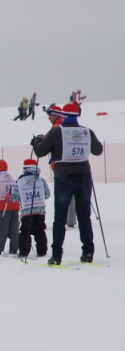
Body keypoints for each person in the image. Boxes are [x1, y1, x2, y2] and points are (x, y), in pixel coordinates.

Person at [30, 103, 104, 264]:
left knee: (60, 217)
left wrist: (36, 141)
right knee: (84, 216)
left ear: (63, 115)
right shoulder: (86, 131)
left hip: (64, 177)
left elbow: (40, 151)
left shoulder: (57, 132)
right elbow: (98, 150)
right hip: (84, 175)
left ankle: (57, 255)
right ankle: (88, 252)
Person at [10, 159, 50, 261]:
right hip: (40, 210)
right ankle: (42, 251)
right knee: (40, 230)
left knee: (25, 231)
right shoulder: (41, 180)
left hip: (27, 210)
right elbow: (47, 194)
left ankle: (23, 251)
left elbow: (13, 197)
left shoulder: (20, 181)